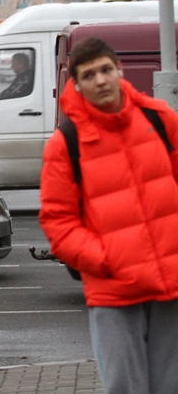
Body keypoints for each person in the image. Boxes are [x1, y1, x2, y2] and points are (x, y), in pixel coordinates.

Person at [39, 38, 178, 394]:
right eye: (89, 75)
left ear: (120, 71)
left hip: (171, 284)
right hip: (114, 290)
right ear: (77, 84)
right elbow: (58, 223)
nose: (100, 80)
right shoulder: (65, 143)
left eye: (105, 70)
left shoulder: (160, 120)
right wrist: (108, 259)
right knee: (125, 387)